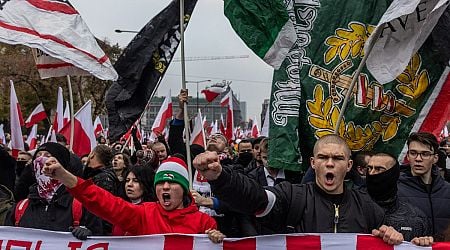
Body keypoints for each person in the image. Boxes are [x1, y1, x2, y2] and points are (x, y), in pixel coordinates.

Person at [193, 134, 406, 245]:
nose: (330, 163)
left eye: (338, 158)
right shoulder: (292, 196)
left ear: (349, 166)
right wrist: (220, 177)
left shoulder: (369, 209)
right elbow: (254, 198)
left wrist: (392, 238)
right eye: (323, 157)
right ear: (313, 163)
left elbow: (383, 243)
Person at [42, 155, 224, 242]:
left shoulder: (204, 222)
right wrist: (64, 176)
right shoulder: (143, 213)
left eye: (172, 184)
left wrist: (215, 242)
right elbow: (104, 202)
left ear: (184, 190)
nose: (165, 187)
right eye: (160, 184)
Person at [5, 142, 102, 240]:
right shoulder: (20, 208)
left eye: (48, 156)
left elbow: (101, 239)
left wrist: (90, 234)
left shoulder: (82, 206)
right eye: (38, 156)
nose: (40, 160)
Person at [366, 153, 432, 243]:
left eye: (379, 169)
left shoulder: (416, 218)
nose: (371, 173)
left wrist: (420, 243)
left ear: (393, 174)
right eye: (369, 168)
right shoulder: (354, 209)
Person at [397, 132, 450, 241]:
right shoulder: (393, 189)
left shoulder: (448, 190)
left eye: (425, 154)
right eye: (413, 153)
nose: (418, 159)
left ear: (435, 158)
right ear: (407, 156)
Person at [112, 165, 157, 235]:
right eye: (127, 180)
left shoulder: (153, 212)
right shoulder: (120, 208)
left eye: (135, 181)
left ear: (146, 183)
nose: (129, 184)